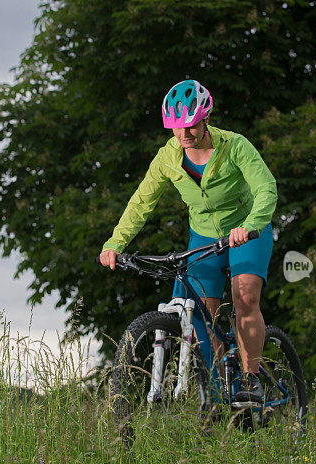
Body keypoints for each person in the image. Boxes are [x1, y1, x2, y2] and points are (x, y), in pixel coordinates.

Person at [98, 79, 277, 402]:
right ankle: (220, 393)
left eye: (191, 126)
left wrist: (250, 225)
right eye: (176, 128)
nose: (184, 134)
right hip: (204, 237)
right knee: (202, 319)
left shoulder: (235, 146)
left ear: (206, 119)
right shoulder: (168, 157)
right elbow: (142, 202)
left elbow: (266, 188)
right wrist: (115, 243)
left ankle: (251, 380)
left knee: (245, 297)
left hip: (247, 230)